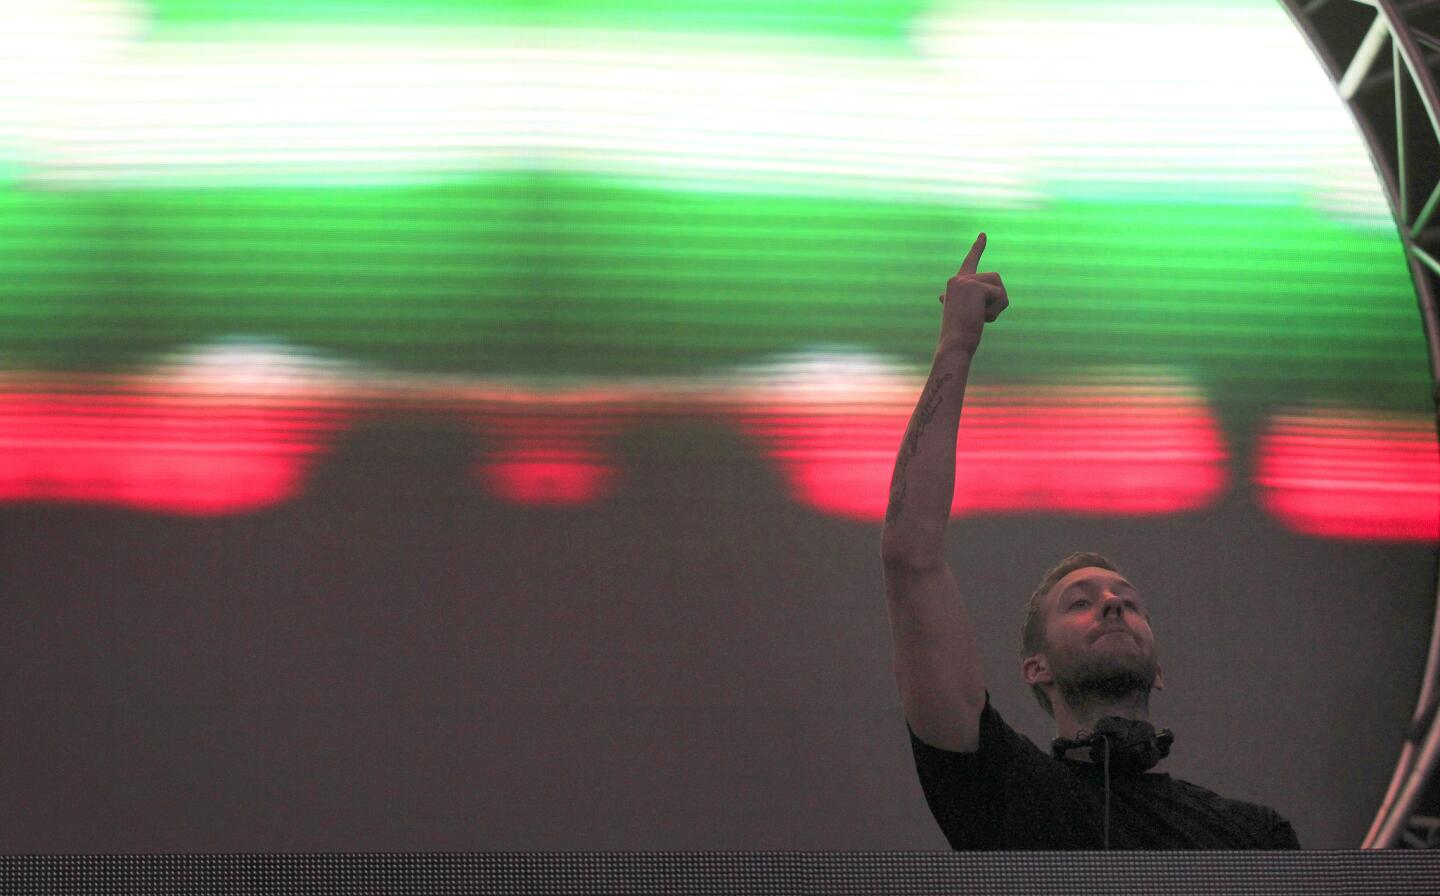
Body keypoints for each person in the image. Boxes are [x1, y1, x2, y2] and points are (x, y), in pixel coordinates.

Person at [879, 233, 1299, 849]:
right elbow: (910, 558)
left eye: (1127, 601)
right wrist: (957, 346)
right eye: (1080, 602)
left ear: (1160, 670)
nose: (1112, 605)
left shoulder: (1252, 836)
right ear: (1035, 668)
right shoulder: (1000, 788)